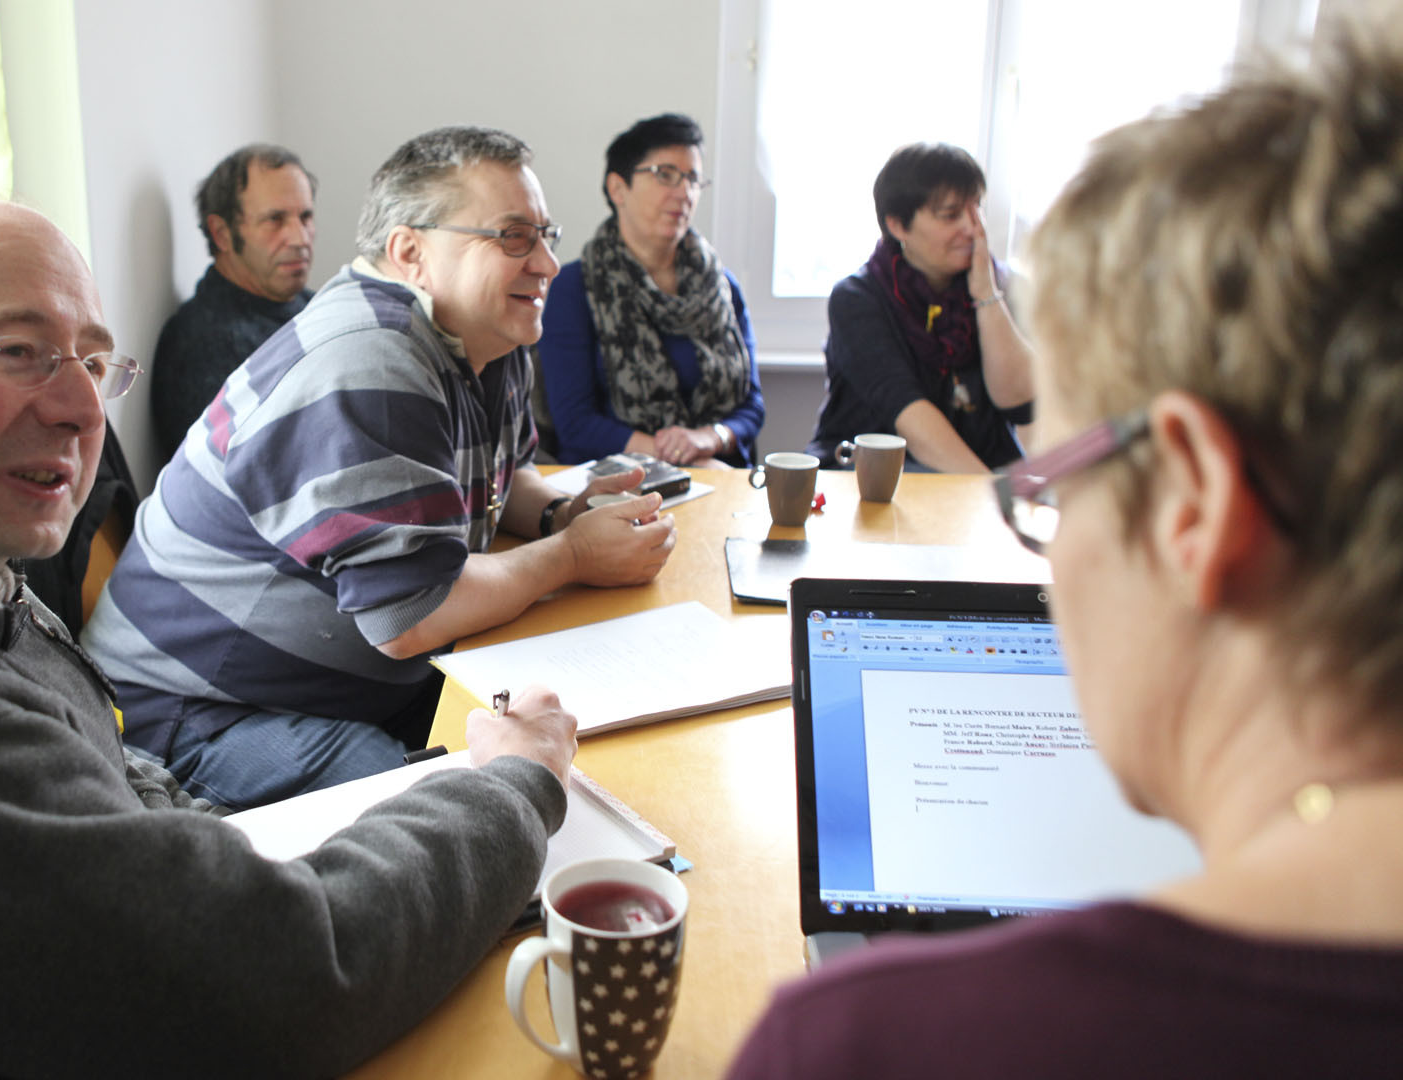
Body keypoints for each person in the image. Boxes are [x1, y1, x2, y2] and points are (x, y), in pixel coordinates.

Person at [0, 193, 584, 1078]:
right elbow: (287, 985)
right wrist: (512, 786)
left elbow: (118, 781)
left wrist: (216, 867)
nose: (86, 408)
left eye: (92, 361)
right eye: (17, 351)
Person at [731, 17, 1403, 1077]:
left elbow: (1012, 397)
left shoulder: (866, 1045)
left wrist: (993, 289)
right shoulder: (868, 300)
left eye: (1060, 483)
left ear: (1192, 504)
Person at [84, 127, 677, 809]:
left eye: (546, 234)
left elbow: (498, 480)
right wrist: (571, 555)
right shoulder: (372, 357)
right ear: (410, 252)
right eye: (513, 237)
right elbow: (411, 617)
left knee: (565, 743)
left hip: (323, 683)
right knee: (439, 808)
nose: (546, 263)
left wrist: (558, 512)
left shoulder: (488, 329)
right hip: (187, 710)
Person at [537, 112, 766, 467]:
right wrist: (675, 456)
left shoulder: (722, 286)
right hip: (613, 479)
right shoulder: (575, 287)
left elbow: (751, 405)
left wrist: (707, 438)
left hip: (720, 469)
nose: (684, 192)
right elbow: (575, 423)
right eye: (665, 175)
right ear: (618, 189)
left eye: (692, 179)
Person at [805, 143, 1034, 472]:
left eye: (976, 208)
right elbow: (910, 418)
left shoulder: (999, 284)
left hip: (977, 473)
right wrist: (991, 495)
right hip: (878, 474)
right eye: (951, 215)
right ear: (898, 225)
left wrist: (986, 294)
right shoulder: (856, 298)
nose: (972, 228)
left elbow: (1021, 404)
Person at [150, 143, 317, 464]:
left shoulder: (314, 305)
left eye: (305, 217)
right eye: (275, 220)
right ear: (222, 233)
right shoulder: (203, 343)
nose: (300, 239)